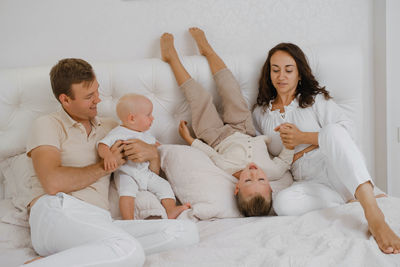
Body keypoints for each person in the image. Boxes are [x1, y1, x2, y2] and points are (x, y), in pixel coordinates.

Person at [24, 58, 199, 266]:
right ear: (65, 99)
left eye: (97, 91)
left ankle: (66, 259)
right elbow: (52, 182)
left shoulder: (114, 128)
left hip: (98, 219)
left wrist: (151, 154)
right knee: (130, 251)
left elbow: (146, 174)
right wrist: (105, 164)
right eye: (89, 96)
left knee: (185, 232)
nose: (98, 100)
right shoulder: (47, 124)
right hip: (57, 211)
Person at [252, 42, 400, 254]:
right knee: (283, 203)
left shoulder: (314, 101)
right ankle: (352, 197)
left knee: (331, 131)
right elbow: (260, 152)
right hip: (310, 182)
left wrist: (301, 137)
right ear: (268, 74)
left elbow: (347, 134)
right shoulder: (261, 114)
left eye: (288, 70)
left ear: (299, 74)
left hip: (334, 166)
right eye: (275, 70)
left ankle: (374, 215)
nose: (281, 76)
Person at [160, 27, 294, 217]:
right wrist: (290, 138)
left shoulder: (226, 170)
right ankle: (208, 51)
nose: (254, 173)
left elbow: (209, 154)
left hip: (214, 136)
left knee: (199, 97)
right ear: (271, 188)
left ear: (237, 188)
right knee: (231, 88)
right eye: (261, 180)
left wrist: (190, 139)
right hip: (244, 128)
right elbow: (285, 160)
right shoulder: (274, 171)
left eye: (248, 181)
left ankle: (172, 59)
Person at [98, 93, 190, 220]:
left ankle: (170, 210)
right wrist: (108, 156)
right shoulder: (118, 133)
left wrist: (164, 149)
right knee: (126, 193)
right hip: (126, 173)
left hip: (145, 173)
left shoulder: (145, 135)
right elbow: (102, 145)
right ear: (132, 118)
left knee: (164, 186)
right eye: (148, 115)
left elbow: (158, 147)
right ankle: (128, 219)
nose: (152, 118)